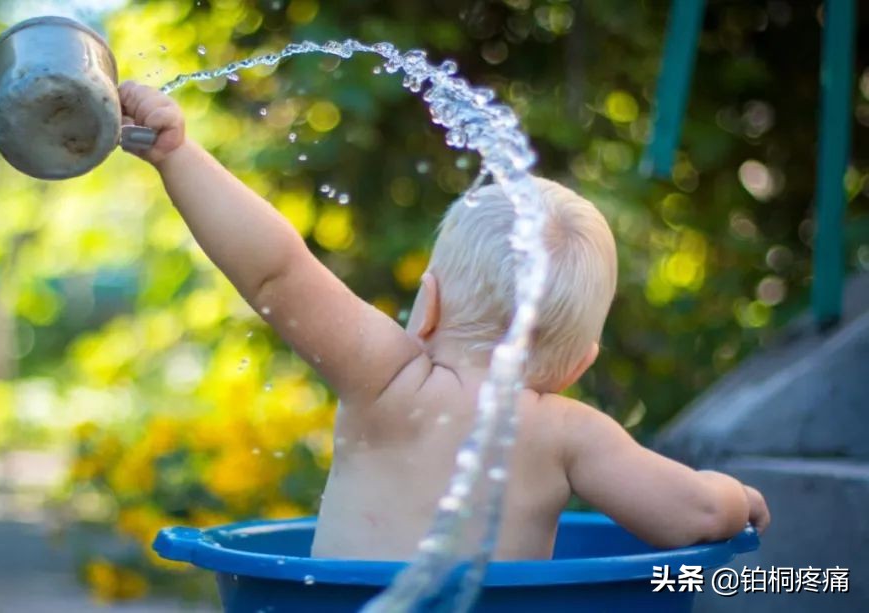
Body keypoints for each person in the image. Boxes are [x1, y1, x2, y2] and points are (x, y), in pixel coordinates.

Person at [117, 82, 770, 560]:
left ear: (425, 305)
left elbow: (276, 272)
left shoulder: (387, 379)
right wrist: (737, 496)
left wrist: (178, 153)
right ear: (579, 364)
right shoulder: (570, 434)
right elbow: (695, 513)